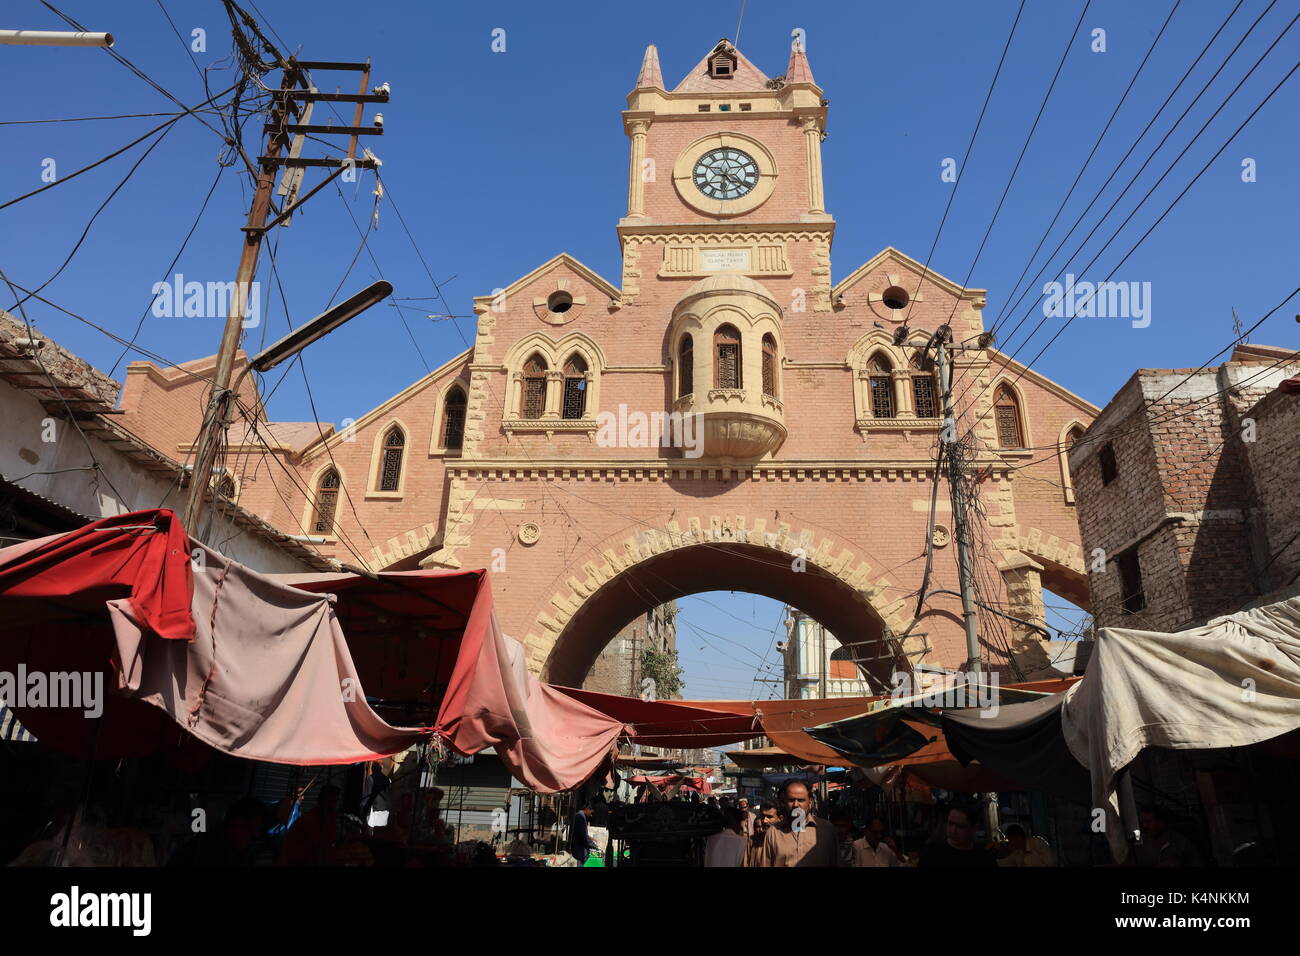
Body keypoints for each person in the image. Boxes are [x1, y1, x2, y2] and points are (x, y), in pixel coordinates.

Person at [757, 780, 839, 867]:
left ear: (810, 802)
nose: (796, 805)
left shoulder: (827, 830)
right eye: (791, 800)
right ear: (784, 802)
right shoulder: (773, 832)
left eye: (801, 800)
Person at [169, 798, 269, 867]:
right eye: (251, 829)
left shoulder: (231, 850)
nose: (255, 835)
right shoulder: (210, 848)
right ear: (238, 822)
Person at [278, 784, 342, 866]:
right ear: (320, 800)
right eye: (329, 801)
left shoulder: (331, 817)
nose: (331, 805)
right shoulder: (308, 820)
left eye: (334, 802)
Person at [919, 805, 998, 868]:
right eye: (950, 823)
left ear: (974, 829)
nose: (953, 831)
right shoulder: (932, 852)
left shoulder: (984, 858)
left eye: (960, 826)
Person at [1133, 806, 1204, 867]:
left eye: (1148, 822)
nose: (1144, 826)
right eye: (1142, 822)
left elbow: (1197, 862)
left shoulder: (1180, 843)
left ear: (1161, 822)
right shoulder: (1139, 844)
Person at [745, 802, 780, 867]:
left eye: (769, 817)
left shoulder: (785, 841)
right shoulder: (753, 840)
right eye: (763, 816)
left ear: (780, 818)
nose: (764, 821)